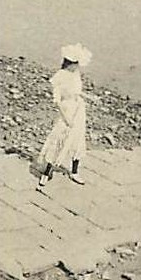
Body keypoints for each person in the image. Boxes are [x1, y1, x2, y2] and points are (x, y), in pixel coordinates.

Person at [38, 44, 92, 186]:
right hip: (66, 110)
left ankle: (74, 172)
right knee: (59, 139)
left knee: (78, 140)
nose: (77, 67)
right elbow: (57, 101)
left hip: (78, 109)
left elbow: (76, 92)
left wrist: (90, 97)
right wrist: (66, 118)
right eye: (75, 64)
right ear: (70, 63)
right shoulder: (60, 77)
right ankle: (46, 172)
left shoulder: (76, 74)